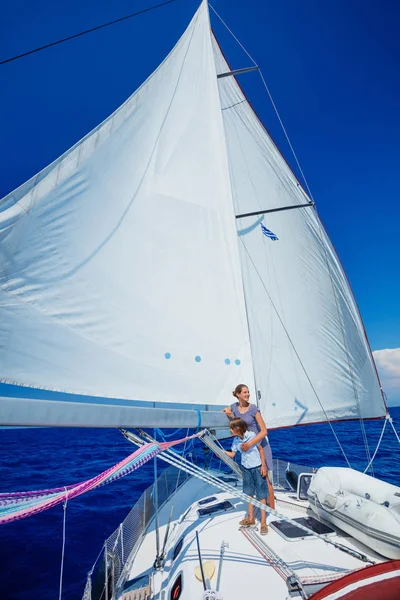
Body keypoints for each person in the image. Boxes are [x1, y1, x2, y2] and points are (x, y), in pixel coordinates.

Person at [223, 383, 275, 510]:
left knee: (265, 477)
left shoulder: (253, 409)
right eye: (244, 392)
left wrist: (249, 444)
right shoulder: (234, 407)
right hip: (248, 448)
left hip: (259, 445)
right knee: (251, 478)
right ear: (238, 394)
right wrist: (227, 412)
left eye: (248, 392)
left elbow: (264, 431)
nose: (247, 394)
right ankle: (258, 506)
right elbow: (225, 410)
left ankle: (272, 509)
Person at [225, 418, 269, 535]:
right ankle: (251, 519)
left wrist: (263, 466)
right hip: (246, 469)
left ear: (238, 428)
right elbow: (232, 454)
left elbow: (260, 450)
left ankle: (263, 522)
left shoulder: (252, 435)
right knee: (249, 494)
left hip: (257, 467)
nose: (229, 430)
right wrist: (222, 453)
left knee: (261, 495)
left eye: (231, 428)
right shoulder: (235, 441)